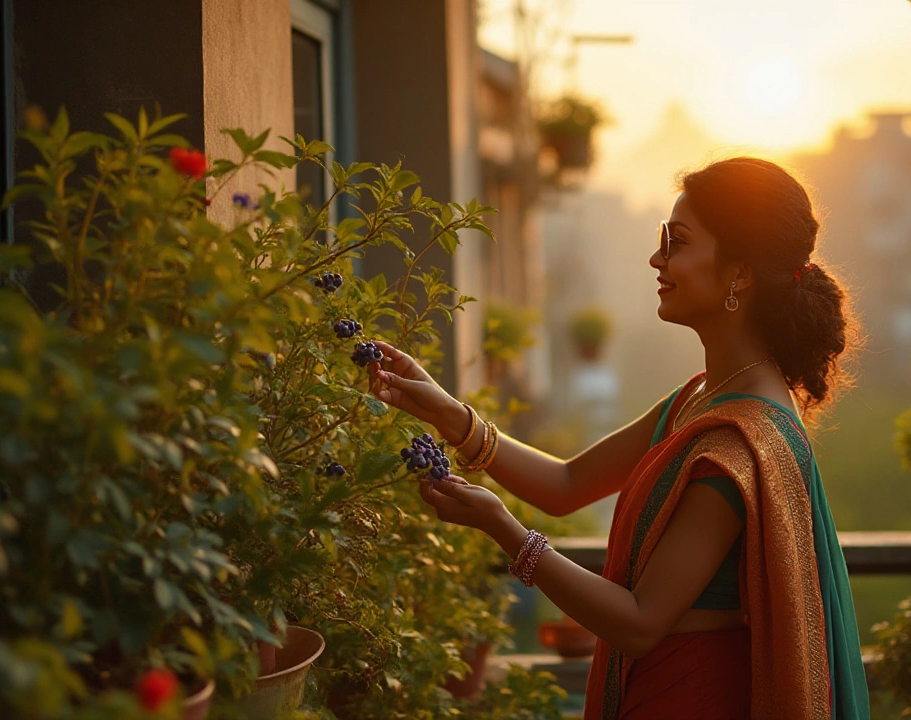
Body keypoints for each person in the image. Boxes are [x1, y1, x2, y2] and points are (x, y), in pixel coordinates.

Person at [367, 157, 871, 719]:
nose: (657, 259)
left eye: (676, 242)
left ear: (740, 273)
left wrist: (503, 530)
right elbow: (567, 483)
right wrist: (451, 415)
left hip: (691, 697)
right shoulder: (700, 398)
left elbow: (638, 621)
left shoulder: (737, 441)